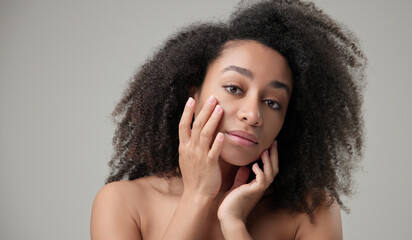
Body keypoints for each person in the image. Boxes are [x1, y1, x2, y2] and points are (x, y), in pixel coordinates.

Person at [90, 0, 366, 239]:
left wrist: (234, 224)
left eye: (272, 103)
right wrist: (197, 196)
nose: (253, 115)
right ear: (193, 94)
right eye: (234, 88)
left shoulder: (311, 211)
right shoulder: (123, 203)